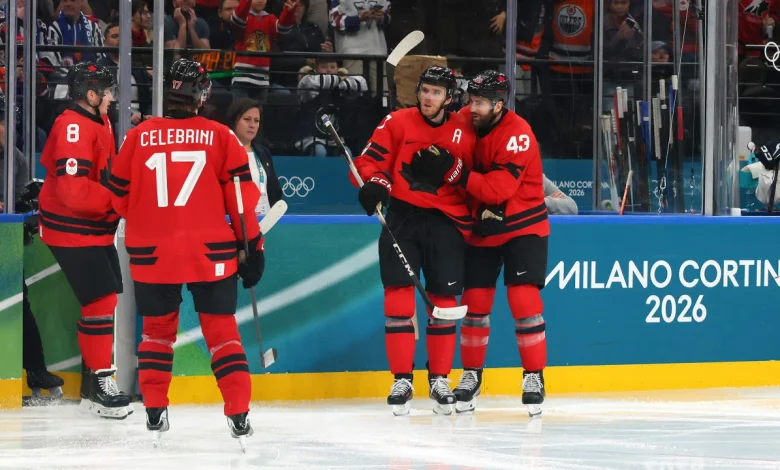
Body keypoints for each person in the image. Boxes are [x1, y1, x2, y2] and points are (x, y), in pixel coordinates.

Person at [104, 59, 265, 446]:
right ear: (202, 95)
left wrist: (150, 222)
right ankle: (239, 413)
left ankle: (155, 409)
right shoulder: (221, 136)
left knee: (157, 334)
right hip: (211, 252)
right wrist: (252, 247)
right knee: (222, 333)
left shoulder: (138, 136)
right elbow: (241, 203)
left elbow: (118, 195)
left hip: (151, 253)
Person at [412, 70, 550, 417]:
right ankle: (471, 374)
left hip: (522, 225)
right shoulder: (466, 119)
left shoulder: (519, 134)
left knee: (523, 299)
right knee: (475, 304)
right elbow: (442, 132)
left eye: (480, 103)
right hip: (482, 227)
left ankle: (534, 375)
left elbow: (498, 190)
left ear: (499, 105)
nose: (471, 108)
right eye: (471, 100)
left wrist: (453, 171)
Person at [352, 66, 476, 416]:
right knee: (399, 293)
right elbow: (368, 161)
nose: (427, 97)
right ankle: (402, 379)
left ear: (449, 99)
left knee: (443, 299)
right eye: (425, 90)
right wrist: (375, 184)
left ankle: (439, 378)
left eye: (436, 92)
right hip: (403, 218)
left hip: (447, 222)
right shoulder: (396, 122)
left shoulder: (464, 131)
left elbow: (477, 176)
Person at [37, 61, 132, 419]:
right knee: (100, 300)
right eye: (106, 91)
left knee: (103, 300)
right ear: (90, 95)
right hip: (72, 228)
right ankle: (100, 384)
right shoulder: (73, 126)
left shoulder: (98, 119)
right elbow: (73, 192)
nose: (111, 97)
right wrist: (118, 200)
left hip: (92, 228)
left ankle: (94, 385)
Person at [224, 98, 283, 214]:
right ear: (234, 121)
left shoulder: (263, 152)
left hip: (266, 224)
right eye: (247, 119)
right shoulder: (223, 153)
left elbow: (275, 190)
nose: (252, 125)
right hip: (238, 223)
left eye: (256, 121)